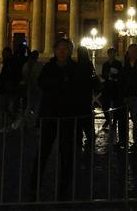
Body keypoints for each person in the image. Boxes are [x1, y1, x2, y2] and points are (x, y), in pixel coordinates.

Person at [32, 38, 90, 199]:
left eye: (66, 49)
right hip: (50, 116)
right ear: (55, 50)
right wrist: (63, 84)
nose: (62, 52)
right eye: (60, 48)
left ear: (71, 51)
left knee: (67, 154)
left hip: (68, 118)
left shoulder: (76, 69)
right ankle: (34, 183)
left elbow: (80, 91)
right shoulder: (48, 67)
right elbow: (42, 84)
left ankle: (64, 186)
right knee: (43, 151)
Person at [100, 47, 127, 146]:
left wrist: (114, 76)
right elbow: (103, 74)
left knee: (116, 105)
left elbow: (121, 75)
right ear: (108, 54)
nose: (112, 55)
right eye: (110, 53)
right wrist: (107, 75)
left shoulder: (118, 64)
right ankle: (108, 120)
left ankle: (114, 121)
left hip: (116, 87)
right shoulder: (105, 64)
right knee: (105, 105)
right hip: (107, 87)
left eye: (113, 53)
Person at [0, 45, 26, 133]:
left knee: (6, 108)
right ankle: (14, 122)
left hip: (8, 89)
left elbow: (8, 76)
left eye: (4, 53)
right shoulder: (10, 63)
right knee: (8, 108)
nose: (2, 55)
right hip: (9, 88)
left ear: (8, 54)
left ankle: (10, 124)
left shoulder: (10, 63)